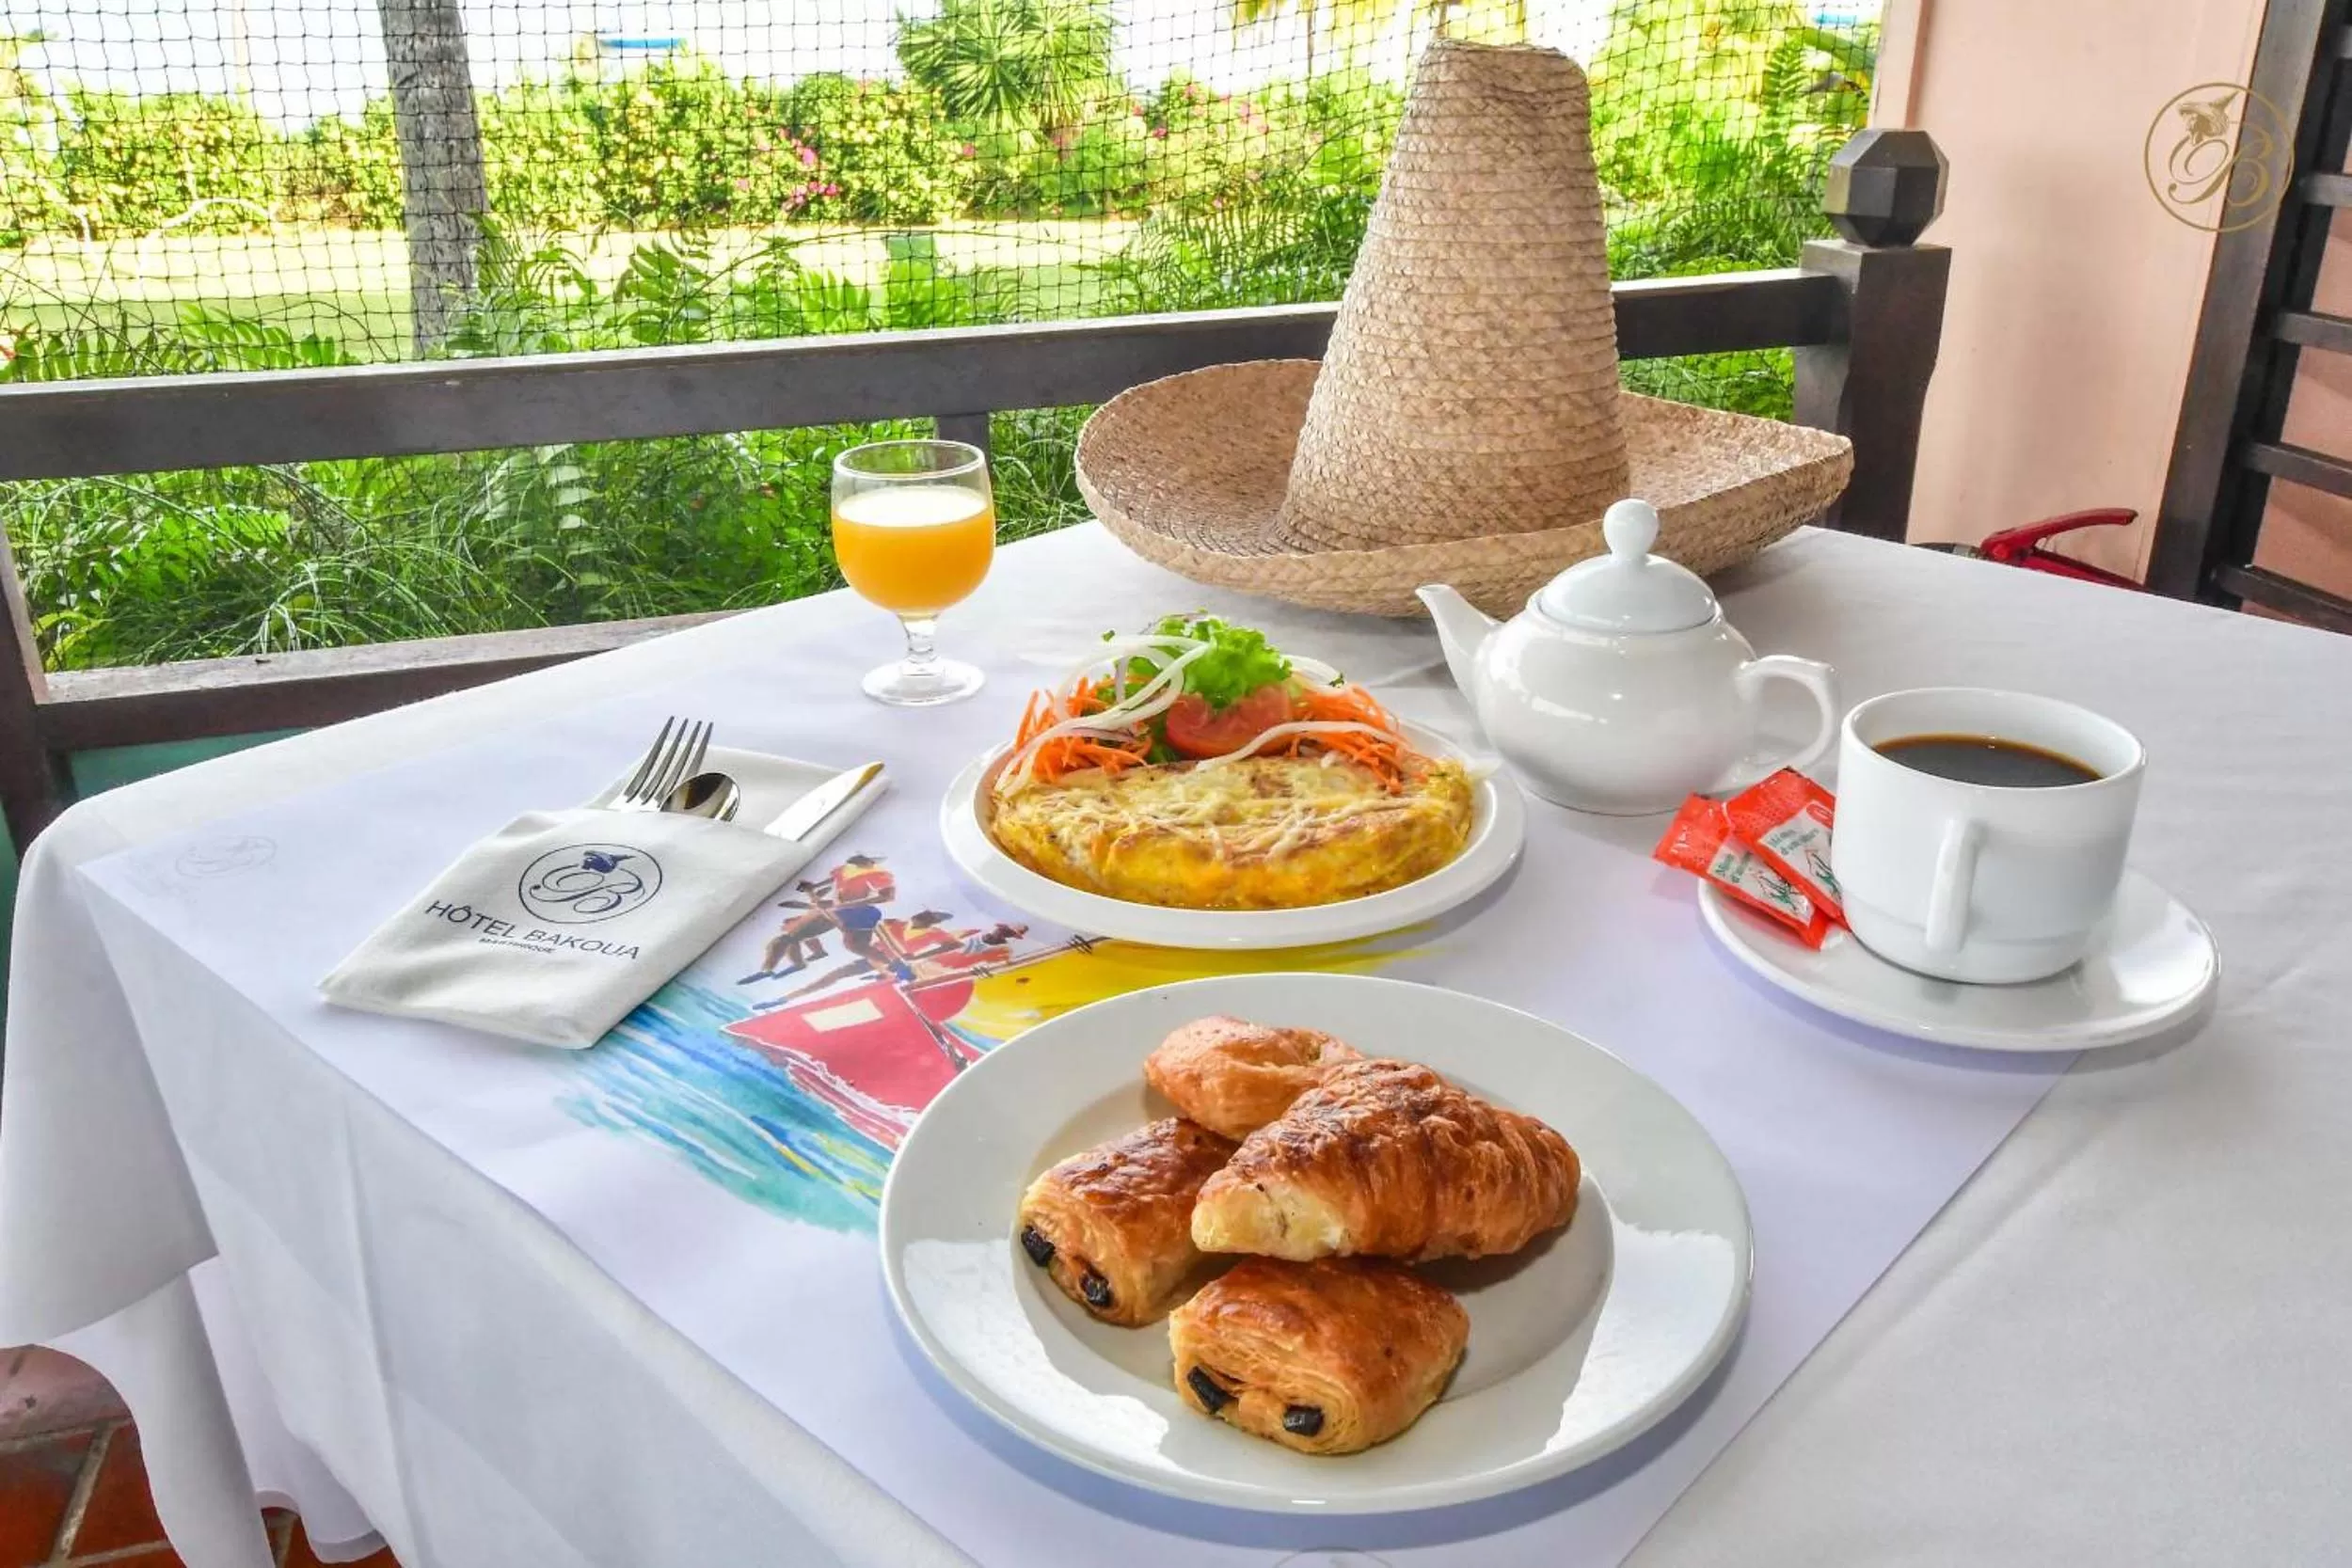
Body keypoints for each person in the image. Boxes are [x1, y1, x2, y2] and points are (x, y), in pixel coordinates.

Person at [738, 853, 896, 984]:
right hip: (830, 910)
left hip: (853, 914)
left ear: (870, 863)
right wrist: (811, 887)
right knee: (787, 935)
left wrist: (845, 904)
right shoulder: (843, 869)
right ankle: (771, 969)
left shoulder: (878, 875)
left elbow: (886, 897)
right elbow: (833, 881)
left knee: (854, 945)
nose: (855, 866)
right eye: (853, 863)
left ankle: (893, 965)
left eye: (862, 863)